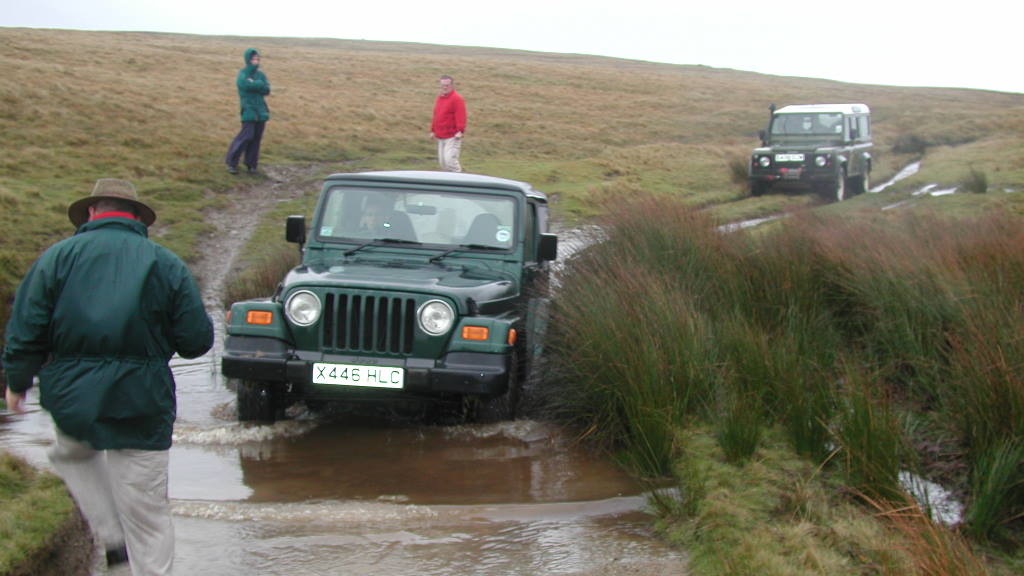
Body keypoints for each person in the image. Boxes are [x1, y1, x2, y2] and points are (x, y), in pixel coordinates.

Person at [3, 179, 214, 575]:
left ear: (91, 214)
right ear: (137, 217)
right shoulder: (165, 263)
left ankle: (111, 537)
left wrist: (17, 382)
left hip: (73, 398)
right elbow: (197, 342)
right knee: (148, 513)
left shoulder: (56, 258)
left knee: (72, 454)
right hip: (143, 400)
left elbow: (26, 327)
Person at [225, 48, 271, 175]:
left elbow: (266, 89)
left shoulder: (261, 75)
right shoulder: (243, 73)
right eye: (253, 59)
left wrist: (256, 83)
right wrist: (259, 85)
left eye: (257, 58)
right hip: (249, 111)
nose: (256, 61)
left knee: (256, 139)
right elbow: (244, 85)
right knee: (246, 136)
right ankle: (231, 162)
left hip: (261, 112)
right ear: (248, 59)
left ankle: (251, 165)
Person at [430, 74, 467, 172]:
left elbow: (461, 115)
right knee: (443, 163)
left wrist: (460, 131)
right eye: (443, 85)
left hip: (452, 136)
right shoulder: (440, 98)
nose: (445, 87)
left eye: (447, 85)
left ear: (452, 85)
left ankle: (461, 181)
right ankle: (449, 184)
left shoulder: (457, 99)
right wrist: (433, 130)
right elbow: (436, 114)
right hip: (441, 135)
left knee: (450, 161)